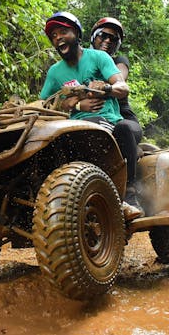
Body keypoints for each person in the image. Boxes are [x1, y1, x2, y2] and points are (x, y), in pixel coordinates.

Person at [39, 11, 142, 217]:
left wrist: (106, 89)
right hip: (72, 126)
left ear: (77, 34)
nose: (58, 37)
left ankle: (129, 196)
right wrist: (75, 105)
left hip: (107, 122)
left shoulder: (100, 58)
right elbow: (44, 105)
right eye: (54, 36)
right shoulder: (54, 72)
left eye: (63, 32)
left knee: (122, 128)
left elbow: (122, 86)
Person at [89, 17, 143, 145]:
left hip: (122, 118)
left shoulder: (119, 61)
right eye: (103, 35)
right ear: (94, 37)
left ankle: (130, 159)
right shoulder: (81, 63)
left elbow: (120, 79)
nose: (107, 40)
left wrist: (106, 88)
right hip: (88, 116)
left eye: (113, 38)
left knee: (122, 129)